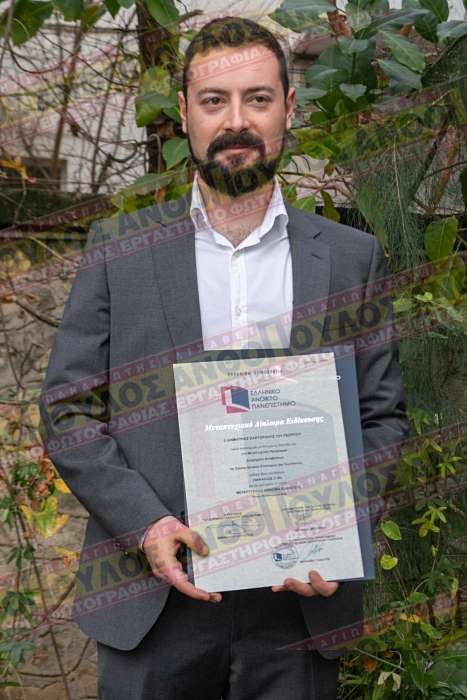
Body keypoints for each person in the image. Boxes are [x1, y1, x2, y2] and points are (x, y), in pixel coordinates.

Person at [39, 16, 409, 700]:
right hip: (153, 603)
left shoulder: (350, 258)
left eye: (257, 98)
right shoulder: (119, 249)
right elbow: (69, 411)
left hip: (298, 604)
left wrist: (334, 531)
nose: (236, 121)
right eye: (215, 100)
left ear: (288, 108)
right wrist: (145, 525)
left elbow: (382, 419)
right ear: (185, 113)